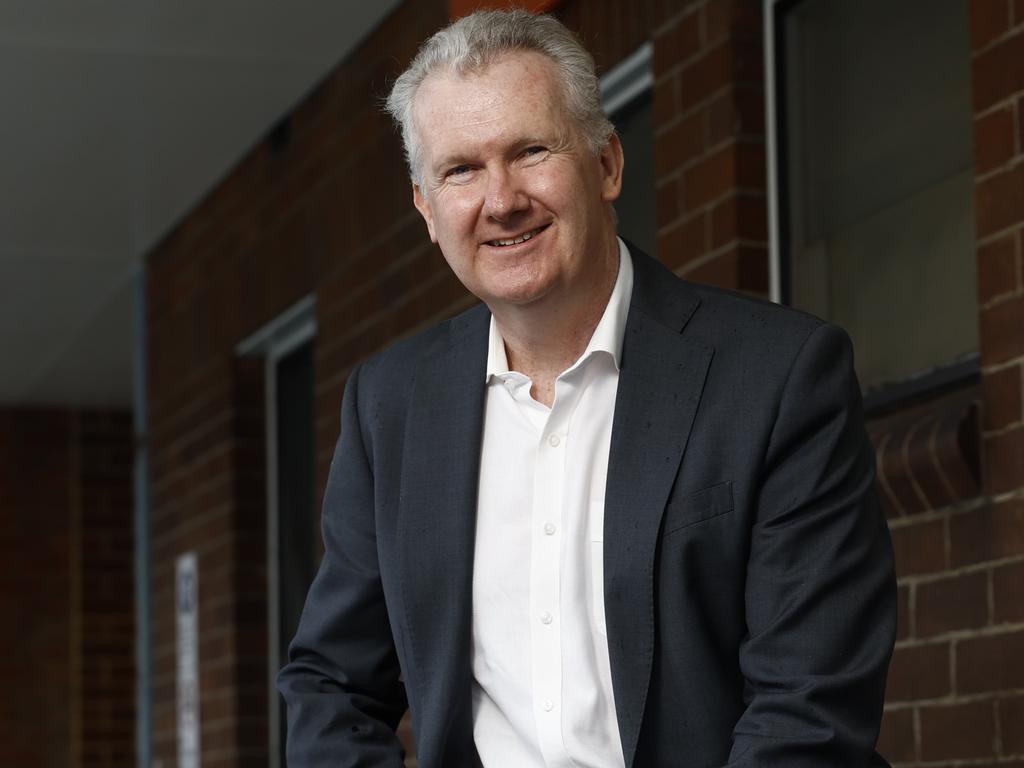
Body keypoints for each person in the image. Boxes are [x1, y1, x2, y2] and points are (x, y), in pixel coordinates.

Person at [278, 9, 896, 767]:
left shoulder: (779, 377)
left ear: (607, 163)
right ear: (426, 208)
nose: (500, 200)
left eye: (531, 150)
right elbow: (330, 683)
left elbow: (810, 707)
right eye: (461, 170)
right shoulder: (390, 407)